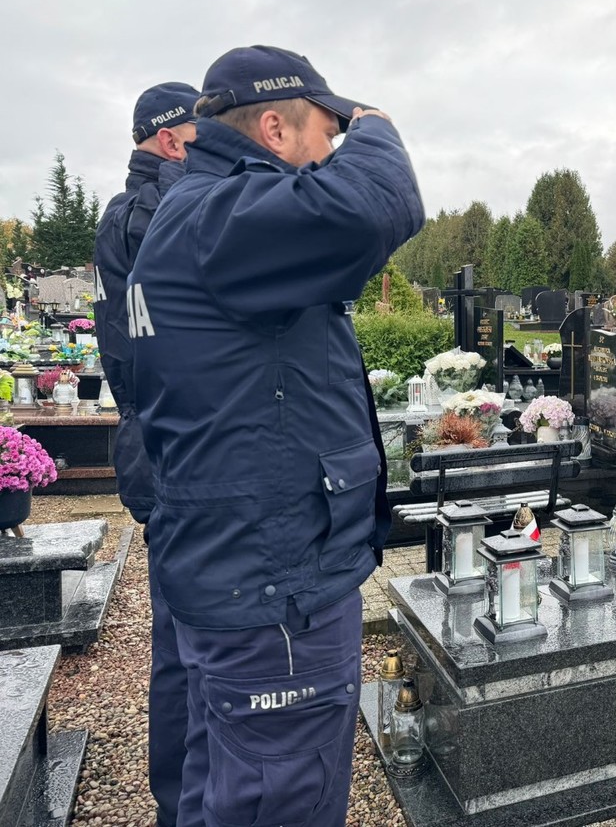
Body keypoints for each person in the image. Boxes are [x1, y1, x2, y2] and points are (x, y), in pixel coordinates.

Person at [129, 45, 423, 827]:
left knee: (219, 789)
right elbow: (372, 208)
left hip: (234, 565)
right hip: (273, 588)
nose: (328, 157)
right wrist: (374, 126)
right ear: (273, 129)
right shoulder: (225, 215)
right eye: (321, 140)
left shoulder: (195, 214)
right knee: (278, 800)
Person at [93, 80, 201, 827]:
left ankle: (188, 797)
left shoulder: (131, 210)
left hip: (157, 440)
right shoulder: (154, 211)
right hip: (173, 446)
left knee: (186, 638)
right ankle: (184, 803)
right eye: (204, 133)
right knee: (187, 645)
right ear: (170, 139)